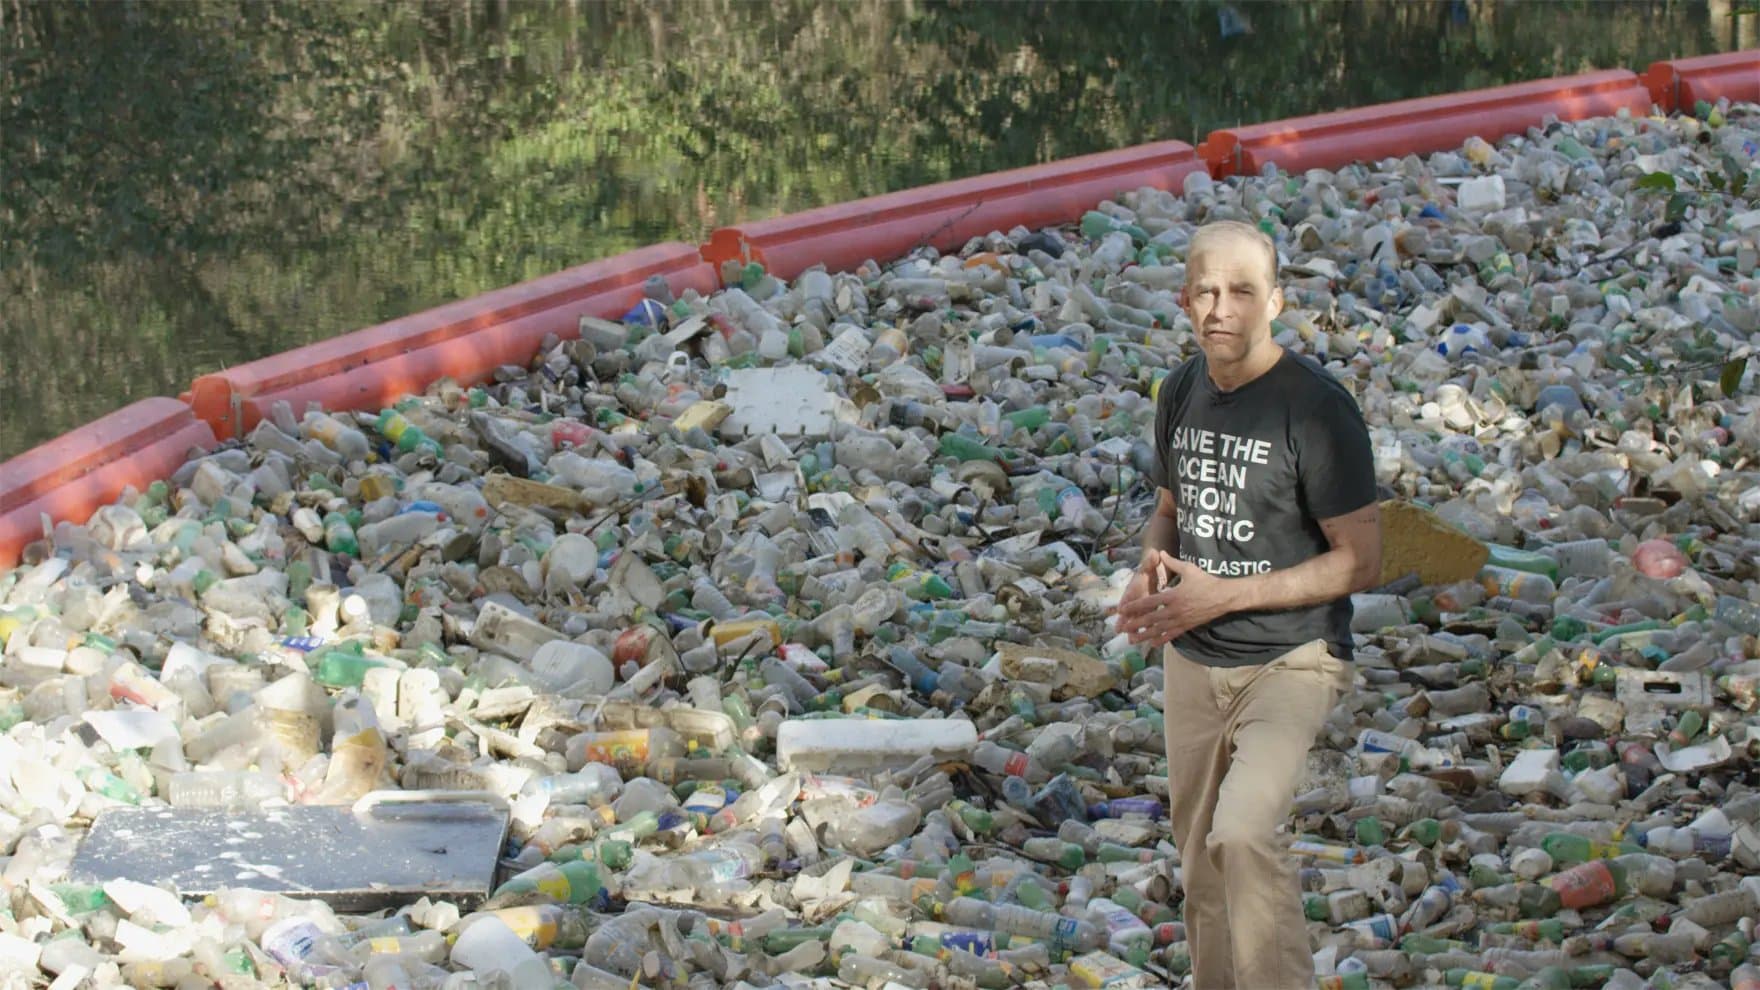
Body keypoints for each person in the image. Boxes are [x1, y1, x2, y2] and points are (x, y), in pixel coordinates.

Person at [1112, 219, 1382, 989]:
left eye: (1240, 292)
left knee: (1243, 834)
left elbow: (1362, 560)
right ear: (1183, 300)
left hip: (1291, 661)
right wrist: (1150, 571)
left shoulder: (1316, 409)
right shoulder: (1181, 389)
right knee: (1198, 867)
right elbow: (1170, 507)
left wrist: (1224, 595)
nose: (1221, 309)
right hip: (1193, 661)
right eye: (1206, 291)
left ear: (1276, 302)